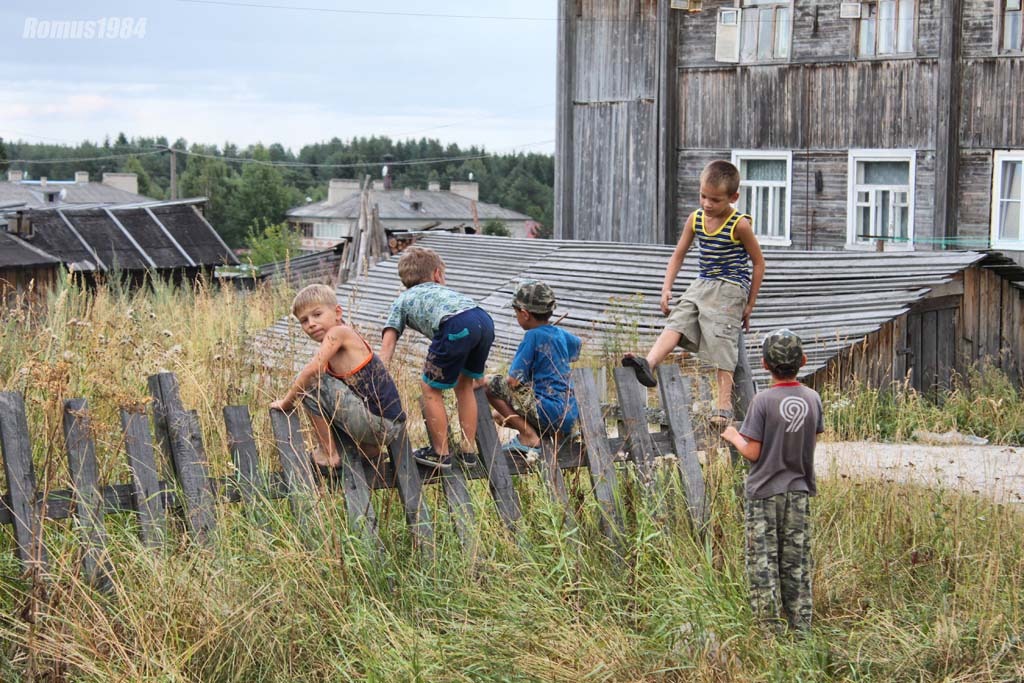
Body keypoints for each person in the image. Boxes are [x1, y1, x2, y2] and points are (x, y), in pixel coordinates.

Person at [622, 159, 765, 425]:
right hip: (702, 283)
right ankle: (649, 363)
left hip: (731, 287)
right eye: (703, 196)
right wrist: (666, 289)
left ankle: (723, 405)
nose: (708, 204)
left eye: (715, 199)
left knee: (723, 337)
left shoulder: (740, 225)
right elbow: (678, 255)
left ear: (733, 197)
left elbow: (758, 262)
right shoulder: (696, 219)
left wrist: (749, 303)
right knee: (678, 318)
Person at [721, 329, 823, 633]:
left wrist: (733, 436)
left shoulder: (763, 401)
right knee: (796, 562)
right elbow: (811, 444)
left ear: (764, 365)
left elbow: (754, 452)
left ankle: (769, 630)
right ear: (803, 361)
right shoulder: (813, 398)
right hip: (799, 492)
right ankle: (801, 627)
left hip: (764, 493)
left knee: (763, 563)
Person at [379, 246, 494, 470]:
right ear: (437, 274)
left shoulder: (403, 299)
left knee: (430, 388)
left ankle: (440, 453)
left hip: (455, 326)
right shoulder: (448, 293)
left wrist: (379, 374)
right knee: (464, 385)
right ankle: (468, 451)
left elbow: (388, 344)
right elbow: (468, 318)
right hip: (483, 319)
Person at [271, 284, 406, 474]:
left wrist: (287, 402)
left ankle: (328, 453)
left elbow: (312, 371)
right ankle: (369, 450)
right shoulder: (338, 346)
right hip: (388, 425)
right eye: (304, 320)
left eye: (317, 315)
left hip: (378, 422)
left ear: (337, 312)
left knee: (310, 381)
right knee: (322, 383)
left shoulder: (339, 333)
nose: (310, 323)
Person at [483, 280, 581, 457]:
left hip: (547, 409)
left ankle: (529, 437)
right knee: (499, 415)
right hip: (568, 415)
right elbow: (577, 348)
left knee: (487, 384)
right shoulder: (560, 333)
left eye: (516, 313)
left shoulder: (532, 337)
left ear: (525, 314)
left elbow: (513, 381)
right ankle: (544, 435)